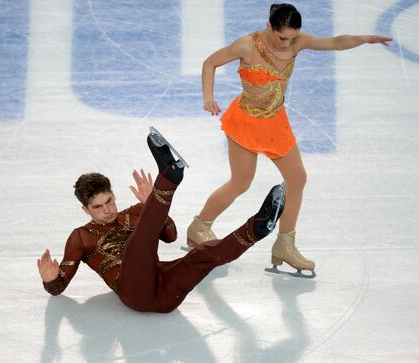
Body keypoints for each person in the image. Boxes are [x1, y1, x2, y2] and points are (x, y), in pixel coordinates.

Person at [187, 3, 392, 276]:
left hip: (275, 123)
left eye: (293, 38)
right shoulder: (247, 46)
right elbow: (210, 62)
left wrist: (364, 39)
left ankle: (285, 243)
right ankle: (200, 226)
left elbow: (334, 42)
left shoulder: (297, 43)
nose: (288, 43)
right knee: (241, 182)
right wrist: (208, 97)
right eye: (283, 37)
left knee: (297, 179)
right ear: (270, 27)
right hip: (246, 121)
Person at [37, 130, 286, 313]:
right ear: (85, 209)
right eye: (97, 207)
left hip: (166, 294)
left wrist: (149, 207)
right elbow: (59, 287)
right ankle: (169, 176)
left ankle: (259, 226)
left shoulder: (134, 213)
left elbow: (170, 236)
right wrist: (50, 280)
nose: (107, 210)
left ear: (114, 194)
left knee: (202, 254)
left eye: (109, 201)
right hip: (134, 292)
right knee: (138, 242)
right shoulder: (81, 236)